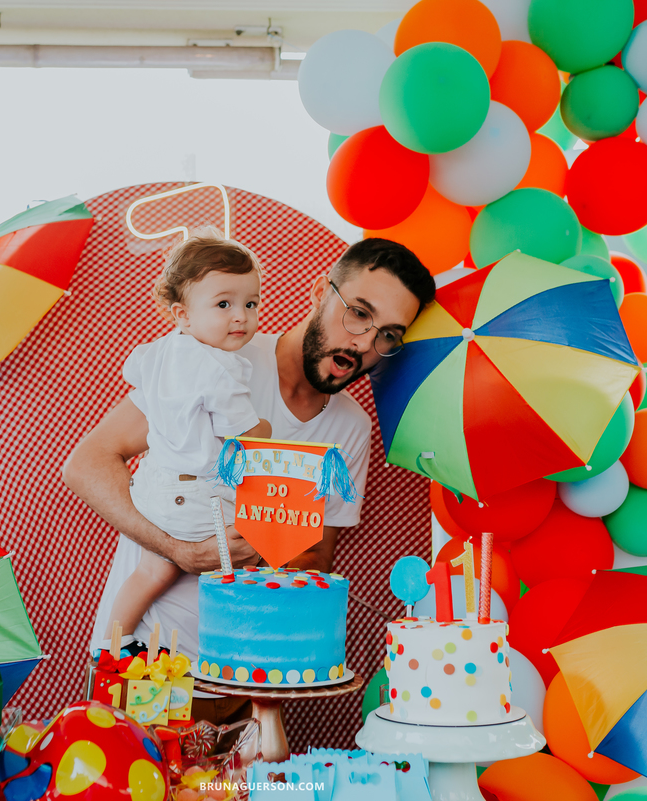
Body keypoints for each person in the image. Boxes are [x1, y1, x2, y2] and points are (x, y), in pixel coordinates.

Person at [65, 237, 434, 723]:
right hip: (144, 657)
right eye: (359, 313)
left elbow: (317, 555)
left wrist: (268, 546)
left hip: (240, 681)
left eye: (388, 334)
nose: (365, 343)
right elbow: (87, 462)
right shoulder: (216, 355)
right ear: (319, 294)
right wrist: (177, 550)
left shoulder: (352, 427)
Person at [103, 230, 272, 641]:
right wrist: (265, 429)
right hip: (194, 493)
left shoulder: (157, 352)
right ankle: (240, 647)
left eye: (250, 304)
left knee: (152, 570)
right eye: (224, 304)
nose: (241, 317)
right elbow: (247, 438)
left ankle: (114, 644)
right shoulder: (219, 368)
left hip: (152, 486)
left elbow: (134, 373)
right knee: (254, 553)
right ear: (182, 315)